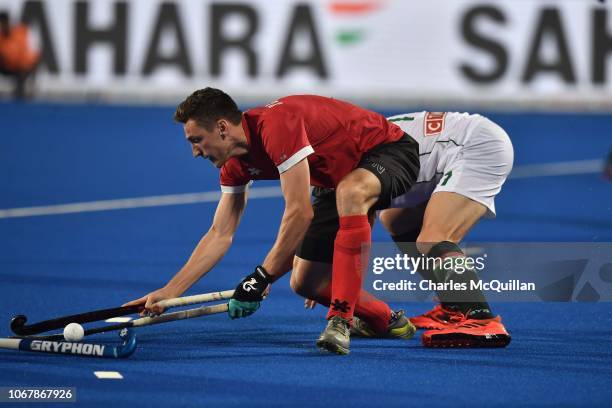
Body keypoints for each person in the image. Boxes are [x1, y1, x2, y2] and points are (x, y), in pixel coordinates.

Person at [124, 88, 420, 355]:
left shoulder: (277, 124)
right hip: (337, 181)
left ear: (222, 128)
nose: (195, 152)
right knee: (306, 282)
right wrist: (169, 292)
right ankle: (387, 320)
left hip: (388, 151)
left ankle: (340, 320)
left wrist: (261, 277)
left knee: (351, 191)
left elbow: (300, 212)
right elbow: (219, 234)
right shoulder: (234, 166)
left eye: (197, 140)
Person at [308, 111, 514, 347]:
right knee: (397, 220)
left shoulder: (347, 167)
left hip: (474, 145)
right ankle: (453, 306)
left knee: (434, 238)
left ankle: (480, 318)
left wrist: (334, 284)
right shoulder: (345, 146)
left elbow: (357, 234)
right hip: (457, 142)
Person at [0, 11, 39, 100]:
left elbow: (31, 55)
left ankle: (21, 97)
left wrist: (23, 66)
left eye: (4, 23)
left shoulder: (21, 32)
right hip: (7, 67)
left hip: (22, 67)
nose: (2, 26)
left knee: (23, 73)